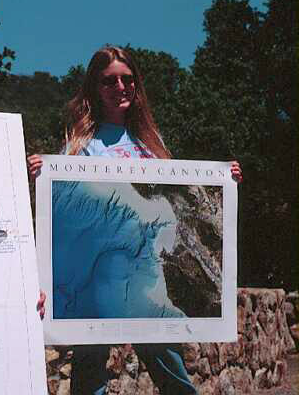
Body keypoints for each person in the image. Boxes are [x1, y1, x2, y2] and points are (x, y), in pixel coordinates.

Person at [28, 46, 242, 395]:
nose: (120, 87)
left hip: (145, 272)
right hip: (95, 274)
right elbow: (63, 207)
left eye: (127, 80)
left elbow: (177, 197)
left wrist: (224, 177)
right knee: (90, 367)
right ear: (95, 88)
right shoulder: (79, 144)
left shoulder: (151, 143)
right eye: (109, 81)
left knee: (168, 365)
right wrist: (42, 170)